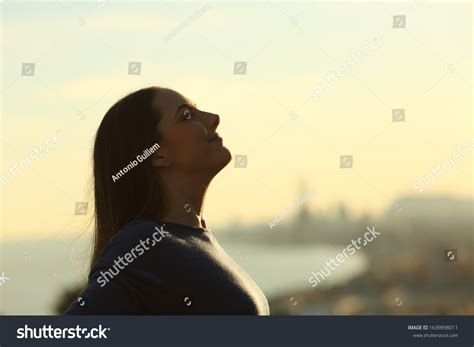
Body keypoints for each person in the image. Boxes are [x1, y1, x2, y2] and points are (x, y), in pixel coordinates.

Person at [63, 86, 270, 315]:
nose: (213, 119)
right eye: (187, 116)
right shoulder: (142, 243)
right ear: (158, 154)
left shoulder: (192, 239)